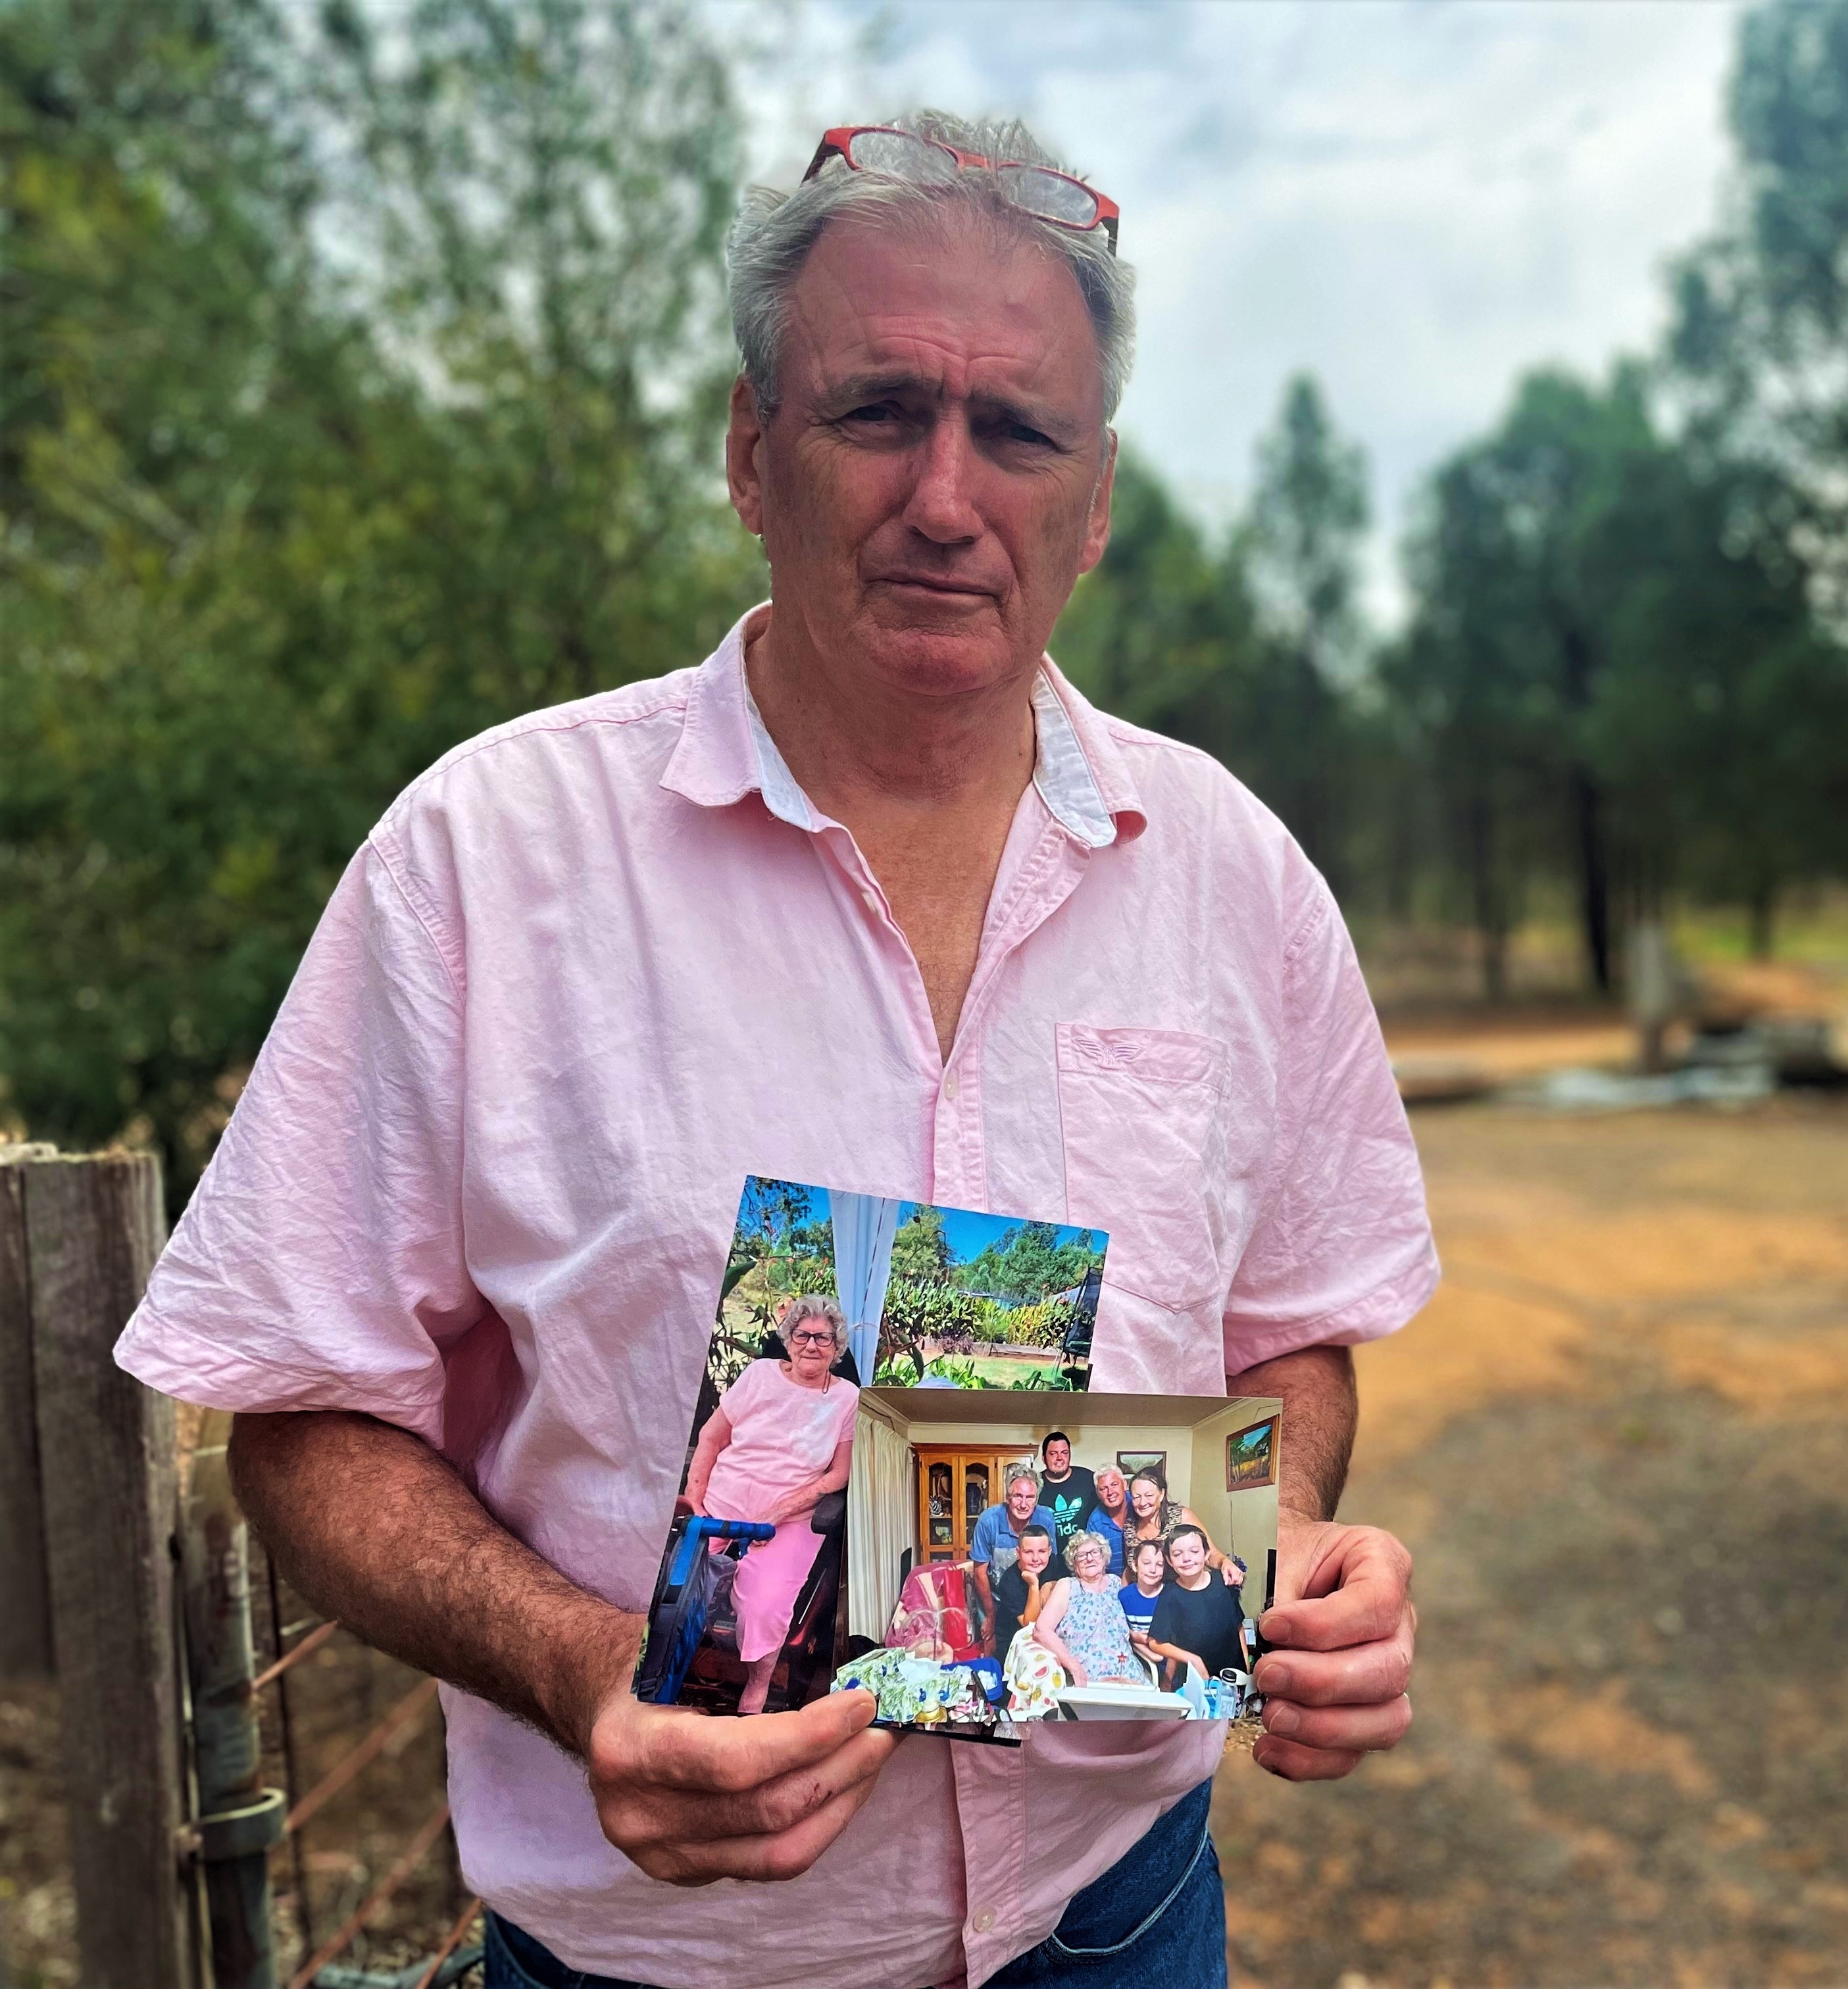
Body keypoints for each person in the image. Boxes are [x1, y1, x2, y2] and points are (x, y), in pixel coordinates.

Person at [119, 107, 1434, 1989]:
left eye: (1021, 431)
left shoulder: (1235, 876)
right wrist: (585, 1677)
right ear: (753, 451)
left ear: (1099, 496)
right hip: (659, 1963)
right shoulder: (487, 863)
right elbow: (304, 1420)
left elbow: (1293, 1321)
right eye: (880, 410)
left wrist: (1290, 1537)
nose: (949, 497)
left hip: (1123, 1916)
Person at [680, 1298, 857, 1712]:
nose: (812, 1345)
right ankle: (669, 1676)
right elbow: (710, 1439)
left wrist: (781, 1510)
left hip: (789, 1520)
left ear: (836, 1348)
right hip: (724, 1502)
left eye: (823, 1338)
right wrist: (695, 1498)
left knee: (765, 1607)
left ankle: (757, 1689)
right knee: (678, 1587)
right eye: (802, 1335)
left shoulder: (845, 1397)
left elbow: (838, 1475)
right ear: (789, 1340)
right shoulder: (759, 1374)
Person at [1031, 1530, 1150, 1688]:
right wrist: (1072, 1665)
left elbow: (1119, 1626)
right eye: (1081, 1555)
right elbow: (1041, 1630)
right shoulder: (1068, 1586)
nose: (1089, 1558)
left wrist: (1135, 1635)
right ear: (1074, 1563)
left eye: (1095, 1552)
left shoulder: (1115, 1584)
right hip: (1089, 1679)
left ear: (1104, 1557)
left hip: (1128, 1674)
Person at [1143, 1526, 1248, 1694]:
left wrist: (1247, 1672)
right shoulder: (1170, 1595)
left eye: (1194, 1551)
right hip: (1193, 1685)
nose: (1187, 1559)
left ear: (1206, 1554)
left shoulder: (1224, 1584)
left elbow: (1239, 1627)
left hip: (1233, 1679)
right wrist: (1194, 1660)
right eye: (1177, 1554)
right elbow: (1156, 1642)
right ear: (1169, 1561)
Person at [1124, 1468, 1244, 1588]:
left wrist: (1225, 1563)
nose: (1142, 1502)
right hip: (1143, 1597)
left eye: (1149, 1495)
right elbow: (1130, 1568)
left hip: (1178, 1596)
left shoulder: (1181, 1516)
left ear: (1161, 1495)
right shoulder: (1129, 1526)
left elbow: (1209, 1553)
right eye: (1136, 1497)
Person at [987, 1521, 1056, 1667]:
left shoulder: (1055, 1564)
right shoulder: (1009, 1581)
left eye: (1042, 1551)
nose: (1036, 1558)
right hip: (1014, 1645)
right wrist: (1034, 1585)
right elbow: (1030, 1623)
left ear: (1050, 1551)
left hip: (1048, 1637)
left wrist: (1049, 1585)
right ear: (1018, 1553)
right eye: (1028, 1552)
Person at [1032, 1430, 1099, 1536]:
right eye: (1053, 1454)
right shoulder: (1034, 1484)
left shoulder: (1088, 1478)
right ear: (1044, 1458)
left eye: (1064, 1453)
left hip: (1083, 1552)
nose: (1060, 1458)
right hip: (1048, 1552)